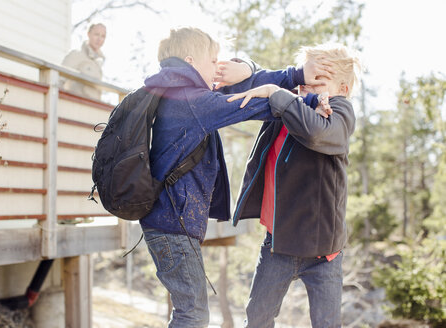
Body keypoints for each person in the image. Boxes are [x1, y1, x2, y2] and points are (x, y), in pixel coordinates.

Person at [138, 27, 333, 328]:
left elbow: (242, 89)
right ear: (191, 61)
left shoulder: (181, 93)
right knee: (193, 314)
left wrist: (276, 73)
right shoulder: (191, 100)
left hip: (167, 223)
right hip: (171, 224)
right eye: (212, 61)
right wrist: (305, 103)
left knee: (190, 311)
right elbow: (250, 103)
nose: (218, 68)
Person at [227, 43, 361, 328]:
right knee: (257, 319)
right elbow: (249, 89)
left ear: (343, 90)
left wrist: (279, 95)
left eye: (319, 81)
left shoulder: (339, 112)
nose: (307, 86)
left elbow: (317, 134)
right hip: (279, 243)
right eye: (305, 78)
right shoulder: (286, 106)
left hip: (323, 252)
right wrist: (249, 69)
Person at [61, 23, 106, 99]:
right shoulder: (76, 55)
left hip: (92, 107)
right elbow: (59, 79)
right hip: (76, 104)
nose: (99, 39)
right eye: (96, 34)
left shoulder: (98, 63)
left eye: (103, 36)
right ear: (88, 34)